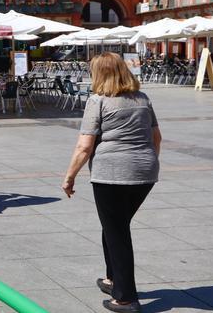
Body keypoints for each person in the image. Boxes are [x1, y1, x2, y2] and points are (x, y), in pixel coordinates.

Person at [62, 52, 161, 313]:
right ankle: (112, 278)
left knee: (117, 231)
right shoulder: (142, 98)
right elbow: (157, 138)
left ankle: (125, 297)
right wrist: (147, 164)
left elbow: (84, 146)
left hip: (112, 174)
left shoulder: (98, 101)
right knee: (116, 224)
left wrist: (69, 177)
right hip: (145, 172)